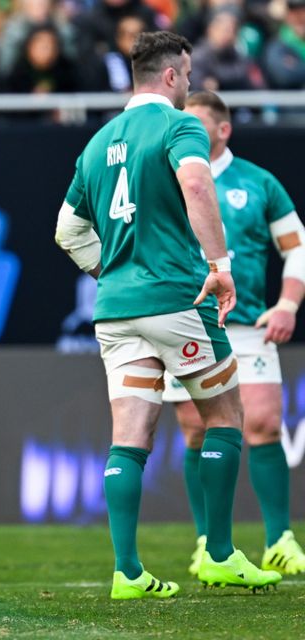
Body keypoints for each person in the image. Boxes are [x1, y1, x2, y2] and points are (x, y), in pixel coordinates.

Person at [54, 31, 281, 599]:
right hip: (179, 298)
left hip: (116, 311)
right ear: (174, 76)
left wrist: (108, 270)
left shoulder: (98, 141)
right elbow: (198, 184)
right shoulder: (180, 127)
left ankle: (127, 571)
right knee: (225, 417)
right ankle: (222, 553)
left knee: (129, 438)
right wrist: (220, 264)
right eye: (187, 73)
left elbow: (65, 230)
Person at [163, 90, 305, 577]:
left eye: (197, 124)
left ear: (223, 130)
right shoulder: (170, 175)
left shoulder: (258, 182)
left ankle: (279, 539)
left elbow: (298, 246)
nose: (187, 133)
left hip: (247, 326)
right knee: (197, 428)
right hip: (190, 321)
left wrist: (287, 303)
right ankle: (207, 542)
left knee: (263, 422)